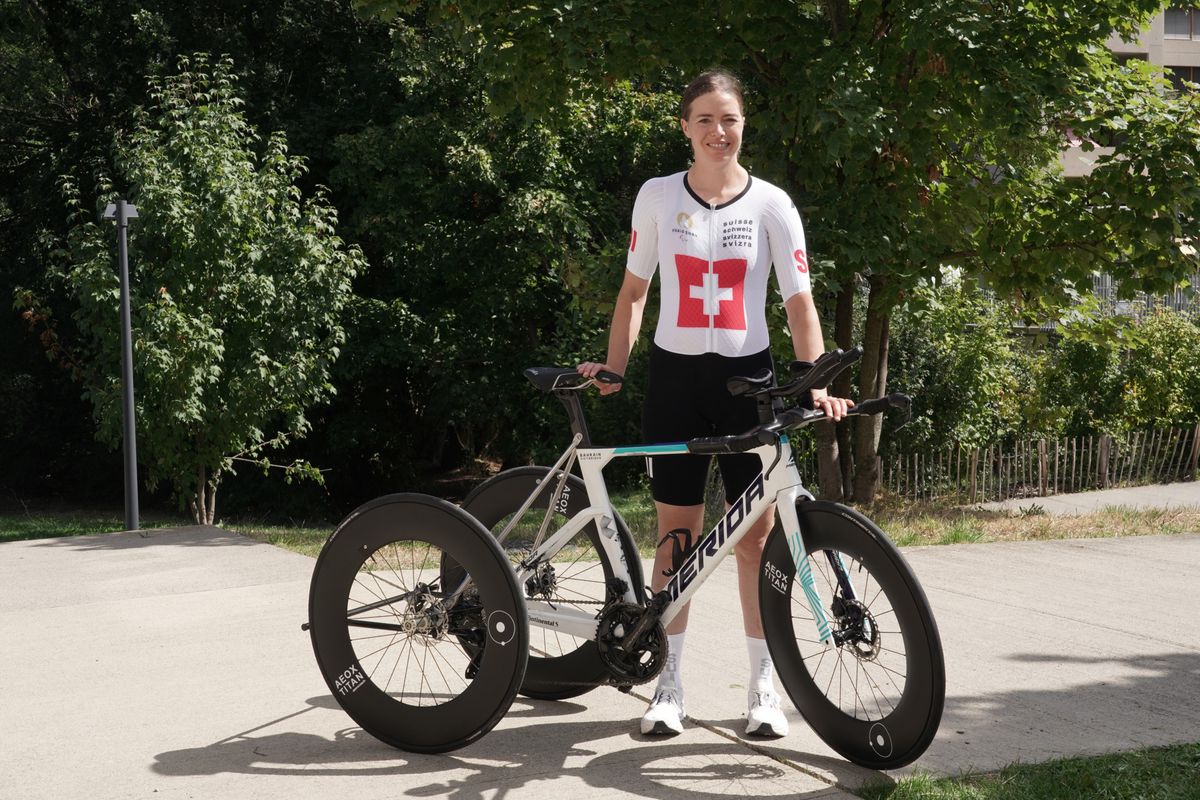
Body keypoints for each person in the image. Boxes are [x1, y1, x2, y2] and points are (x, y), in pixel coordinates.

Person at [577, 69, 852, 738]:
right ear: (685, 127)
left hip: (749, 384)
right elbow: (634, 292)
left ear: (743, 126)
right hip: (675, 382)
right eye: (704, 118)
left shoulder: (773, 205)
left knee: (755, 539)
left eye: (728, 119)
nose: (717, 131)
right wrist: (615, 367)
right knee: (677, 539)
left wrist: (814, 380)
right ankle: (668, 685)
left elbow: (799, 302)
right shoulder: (656, 195)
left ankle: (763, 688)